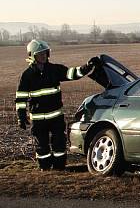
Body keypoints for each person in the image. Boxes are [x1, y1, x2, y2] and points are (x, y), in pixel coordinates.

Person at [15, 40, 100, 171]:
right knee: (42, 146)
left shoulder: (54, 69)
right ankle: (45, 168)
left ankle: (59, 167)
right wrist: (21, 116)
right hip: (38, 120)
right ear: (32, 56)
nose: (43, 56)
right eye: (40, 54)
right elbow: (21, 98)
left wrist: (87, 66)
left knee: (59, 143)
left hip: (56, 117)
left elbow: (72, 73)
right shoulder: (27, 75)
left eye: (45, 53)